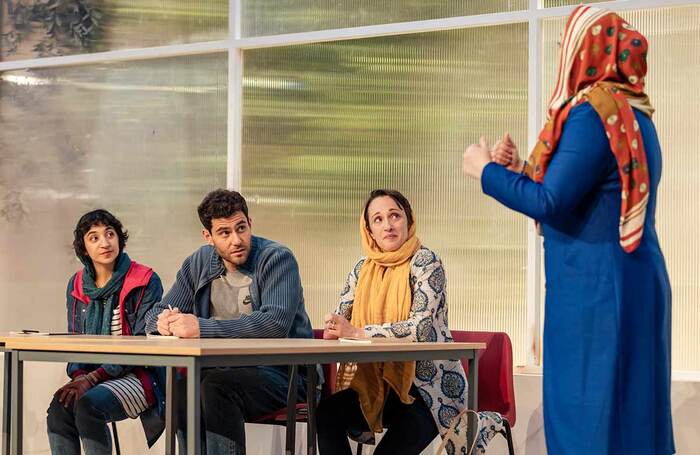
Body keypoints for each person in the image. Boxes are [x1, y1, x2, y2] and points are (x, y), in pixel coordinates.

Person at [462, 5, 674, 454]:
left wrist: (485, 172)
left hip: (594, 291)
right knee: (630, 417)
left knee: (587, 418)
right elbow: (590, 194)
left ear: (587, 50)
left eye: (566, 44)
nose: (562, 52)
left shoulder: (593, 112)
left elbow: (551, 202)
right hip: (632, 282)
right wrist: (520, 168)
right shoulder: (635, 113)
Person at [316, 189, 498, 454]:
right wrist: (334, 326)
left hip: (427, 390)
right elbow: (342, 319)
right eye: (377, 219)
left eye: (394, 216)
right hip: (378, 386)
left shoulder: (426, 262)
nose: (388, 225)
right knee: (327, 413)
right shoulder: (361, 269)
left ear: (409, 220)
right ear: (369, 230)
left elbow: (420, 328)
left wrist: (357, 332)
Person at [144, 188, 313, 454]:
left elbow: (274, 324)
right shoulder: (198, 262)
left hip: (287, 376)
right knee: (184, 389)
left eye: (241, 228)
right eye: (224, 233)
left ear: (250, 223)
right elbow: (153, 313)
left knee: (216, 387)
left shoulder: (277, 258)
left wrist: (201, 327)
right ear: (208, 236)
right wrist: (163, 322)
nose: (237, 239)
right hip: (225, 373)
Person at [46, 209, 165, 455]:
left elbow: (142, 346)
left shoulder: (144, 280)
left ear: (119, 239)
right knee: (59, 409)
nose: (105, 242)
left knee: (88, 406)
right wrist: (80, 376)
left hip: (138, 375)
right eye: (94, 237)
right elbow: (75, 341)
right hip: (90, 376)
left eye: (110, 234)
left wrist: (91, 379)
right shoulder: (77, 284)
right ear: (84, 249)